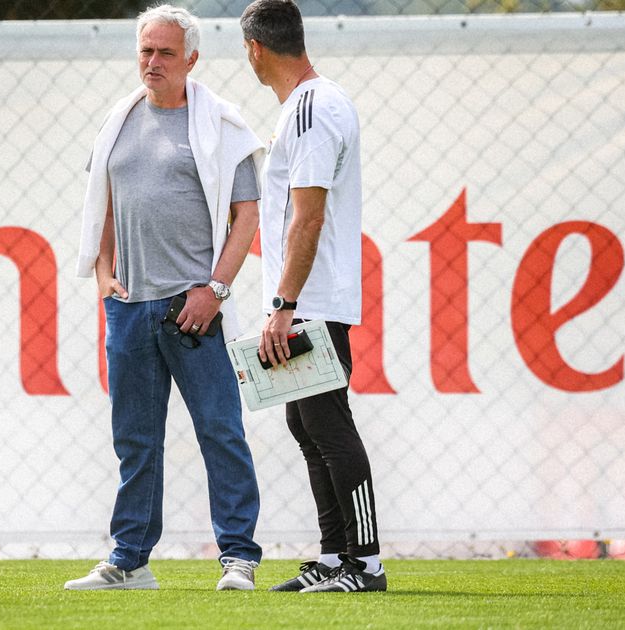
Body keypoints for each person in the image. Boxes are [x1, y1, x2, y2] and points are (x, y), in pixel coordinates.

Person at [68, 4, 264, 591]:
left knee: (220, 430)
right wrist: (104, 274)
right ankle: (130, 560)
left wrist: (215, 290)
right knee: (134, 439)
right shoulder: (117, 122)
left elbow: (246, 216)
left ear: (192, 60)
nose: (152, 63)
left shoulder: (222, 126)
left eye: (165, 53)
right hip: (129, 307)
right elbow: (100, 204)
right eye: (146, 51)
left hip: (191, 309)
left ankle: (239, 557)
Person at [240, 0, 386, 593]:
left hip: (311, 302)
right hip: (307, 299)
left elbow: (308, 215)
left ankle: (365, 564)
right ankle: (334, 557)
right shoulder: (311, 104)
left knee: (329, 426)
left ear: (255, 49)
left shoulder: (311, 108)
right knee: (308, 426)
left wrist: (283, 305)